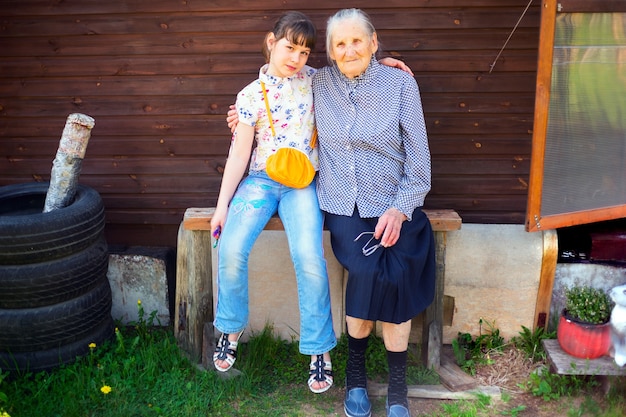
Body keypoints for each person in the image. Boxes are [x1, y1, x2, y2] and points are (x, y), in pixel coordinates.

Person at [218, 10, 413, 395]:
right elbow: (238, 155)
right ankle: (230, 325)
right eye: (289, 48)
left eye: (305, 52)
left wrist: (383, 61)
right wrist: (222, 205)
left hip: (302, 185)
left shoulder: (317, 80)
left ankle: (319, 350)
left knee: (308, 255)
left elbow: (355, 65)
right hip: (260, 182)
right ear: (271, 43)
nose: (296, 58)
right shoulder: (249, 96)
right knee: (230, 247)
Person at [313, 8, 435, 417]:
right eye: (340, 43)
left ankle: (398, 389)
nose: (349, 49)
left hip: (396, 202)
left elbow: (420, 163)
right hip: (344, 205)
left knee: (397, 274)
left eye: (357, 41)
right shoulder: (316, 83)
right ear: (330, 51)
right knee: (366, 271)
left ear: (374, 42)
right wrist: (240, 116)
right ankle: (357, 378)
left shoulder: (400, 84)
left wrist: (400, 210)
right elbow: (273, 87)